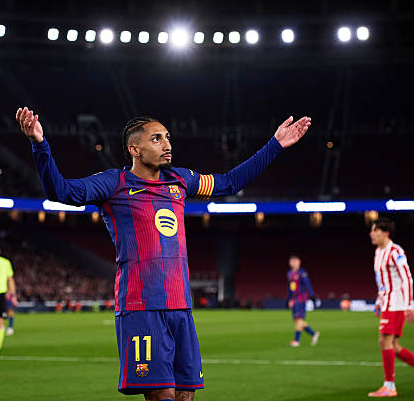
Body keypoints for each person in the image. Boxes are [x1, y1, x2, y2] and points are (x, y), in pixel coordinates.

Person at [16, 106, 311, 400]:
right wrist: (39, 145)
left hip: (181, 304)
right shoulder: (113, 184)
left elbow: (229, 182)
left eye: (167, 137)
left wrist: (275, 145)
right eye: (156, 139)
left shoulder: (180, 180)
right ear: (134, 149)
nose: (167, 144)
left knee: (185, 395)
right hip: (141, 306)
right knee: (161, 395)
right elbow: (61, 191)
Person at [368, 218, 414, 397]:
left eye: (375, 230)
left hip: (396, 303)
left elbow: (407, 278)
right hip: (387, 302)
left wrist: (408, 305)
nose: (371, 234)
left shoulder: (396, 252)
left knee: (385, 341)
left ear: (385, 233)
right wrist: (379, 301)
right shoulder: (378, 252)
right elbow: (382, 282)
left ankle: (389, 386)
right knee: (392, 344)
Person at [286, 255, 319, 347]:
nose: (293, 263)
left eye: (295, 261)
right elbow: (289, 288)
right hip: (294, 299)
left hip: (301, 298)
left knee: (299, 320)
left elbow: (307, 284)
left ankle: (296, 341)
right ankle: (313, 334)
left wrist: (312, 296)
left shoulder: (302, 273)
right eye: (291, 261)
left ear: (299, 262)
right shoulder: (289, 273)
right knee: (297, 320)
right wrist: (289, 299)